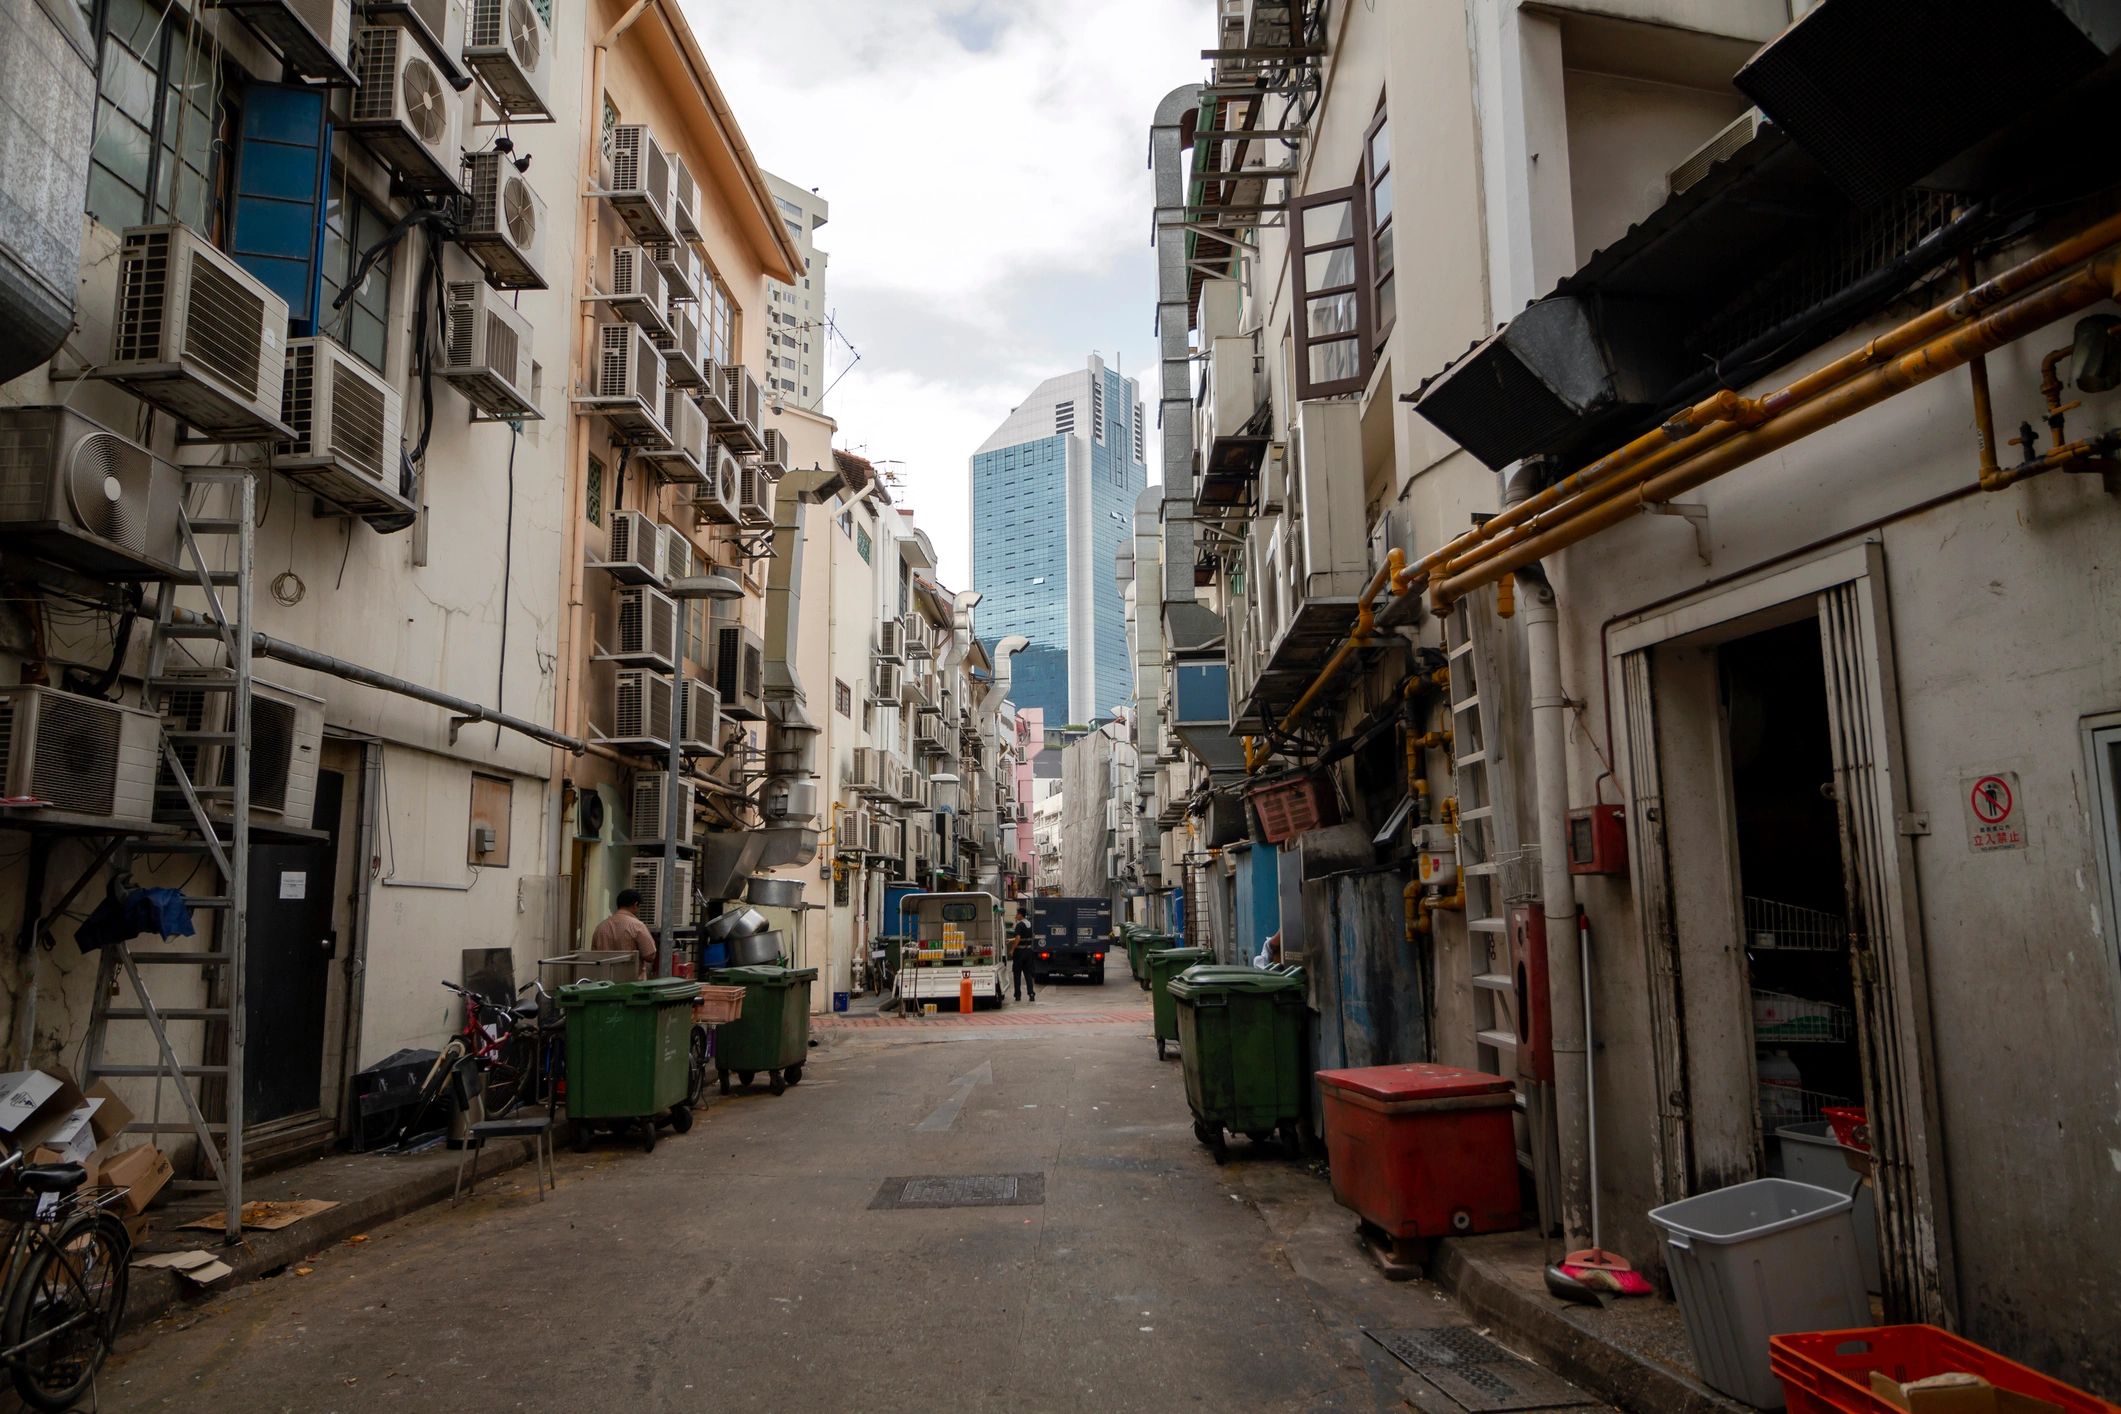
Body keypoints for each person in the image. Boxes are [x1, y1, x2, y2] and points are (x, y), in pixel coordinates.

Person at [591, 888, 660, 979]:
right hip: (631, 981)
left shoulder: (601, 927)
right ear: (635, 904)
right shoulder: (637, 926)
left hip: (604, 980)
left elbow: (594, 954)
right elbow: (649, 955)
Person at [1009, 906, 1038, 1003]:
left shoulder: (1019, 925)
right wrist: (1011, 940)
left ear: (1020, 915)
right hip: (1028, 951)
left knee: (1017, 974)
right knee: (1028, 974)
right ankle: (1031, 994)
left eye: (1017, 914)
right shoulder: (1029, 924)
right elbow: (1029, 936)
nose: (1016, 915)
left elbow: (1018, 938)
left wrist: (1012, 949)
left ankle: (1018, 995)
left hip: (1019, 952)